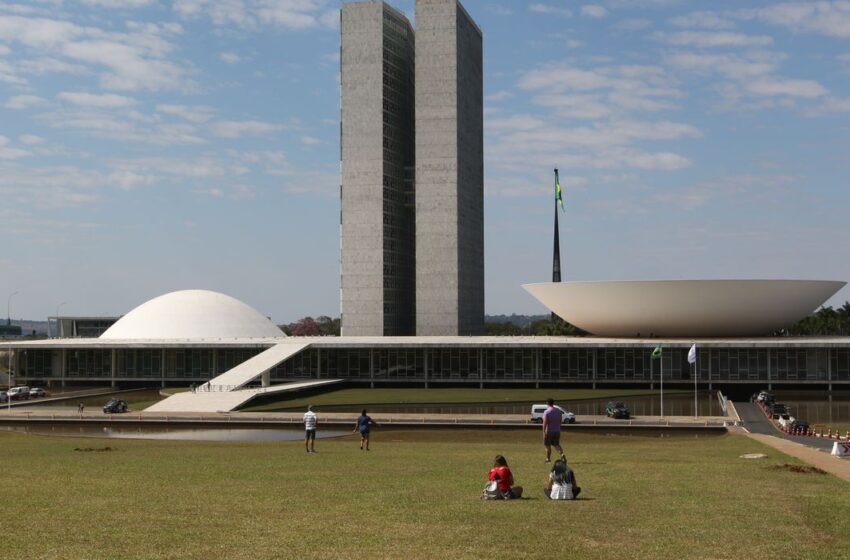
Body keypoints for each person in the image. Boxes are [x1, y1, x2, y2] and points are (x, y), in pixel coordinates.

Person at [542, 398, 565, 463]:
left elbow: (545, 423)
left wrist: (544, 432)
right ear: (553, 403)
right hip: (557, 431)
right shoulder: (558, 411)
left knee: (547, 445)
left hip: (549, 431)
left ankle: (548, 459)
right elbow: (560, 421)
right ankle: (562, 455)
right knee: (556, 445)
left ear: (547, 403)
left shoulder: (547, 412)